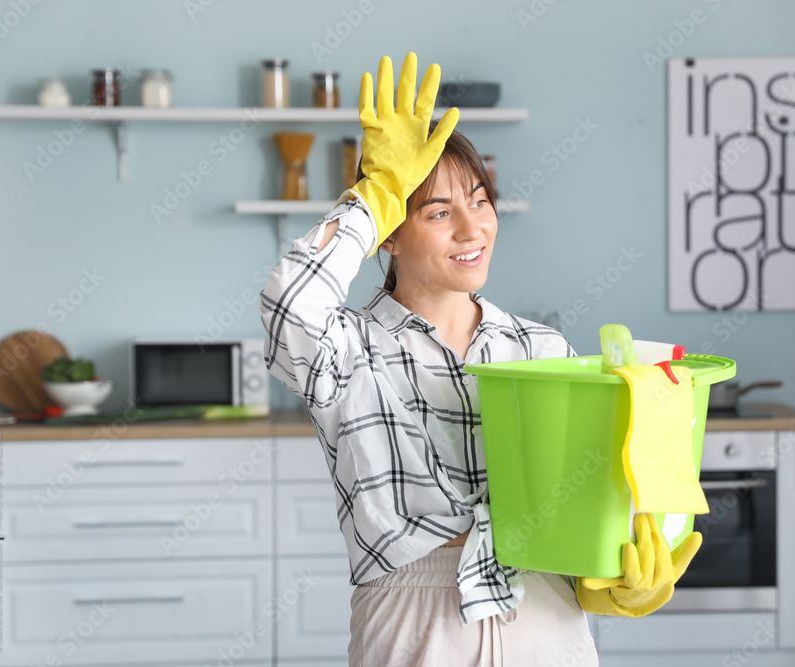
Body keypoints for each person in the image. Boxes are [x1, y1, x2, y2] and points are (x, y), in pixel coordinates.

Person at [259, 52, 699, 667]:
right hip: (414, 622)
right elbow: (288, 304)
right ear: (390, 231)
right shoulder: (347, 350)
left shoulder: (542, 350)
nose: (472, 229)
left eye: (479, 200)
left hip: (545, 614)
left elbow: (589, 506)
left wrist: (614, 580)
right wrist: (375, 194)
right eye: (438, 212)